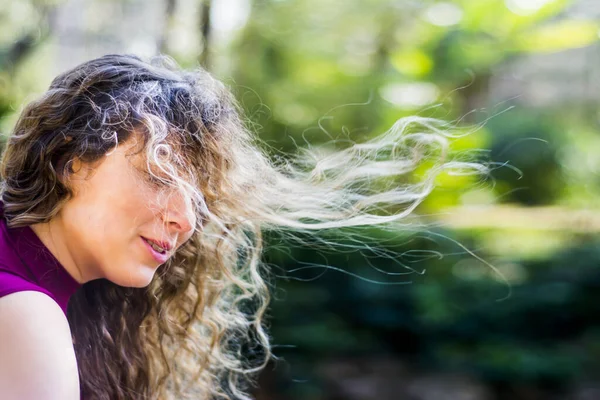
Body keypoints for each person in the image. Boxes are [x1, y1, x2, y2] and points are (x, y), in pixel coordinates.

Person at [0, 53, 485, 400]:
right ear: (69, 160)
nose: (185, 219)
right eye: (157, 175)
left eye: (198, 197)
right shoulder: (27, 317)